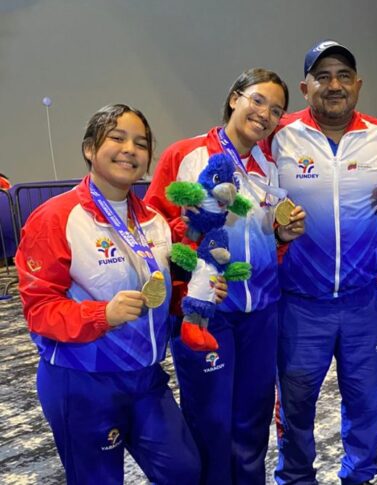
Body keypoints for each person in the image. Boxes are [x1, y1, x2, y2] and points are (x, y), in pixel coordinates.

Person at [15, 104, 204, 484]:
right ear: (89, 149)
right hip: (83, 378)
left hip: (145, 377)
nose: (130, 149)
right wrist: (103, 315)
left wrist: (196, 295)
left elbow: (162, 297)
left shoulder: (153, 220)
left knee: (183, 470)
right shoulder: (56, 218)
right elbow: (40, 311)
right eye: (117, 138)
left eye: (141, 143)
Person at [145, 69, 305, 484]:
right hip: (206, 311)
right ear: (235, 98)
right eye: (257, 100)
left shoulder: (268, 167)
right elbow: (152, 231)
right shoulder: (186, 155)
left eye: (276, 110)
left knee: (252, 420)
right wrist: (193, 244)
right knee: (210, 422)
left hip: (262, 310)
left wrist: (282, 234)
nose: (264, 114)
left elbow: (266, 238)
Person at [269, 40, 377, 485]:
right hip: (298, 303)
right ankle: (295, 478)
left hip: (361, 301)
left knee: (366, 404)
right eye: (323, 76)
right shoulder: (280, 136)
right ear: (304, 86)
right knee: (295, 406)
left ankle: (359, 476)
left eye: (344, 76)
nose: (334, 85)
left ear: (358, 85)